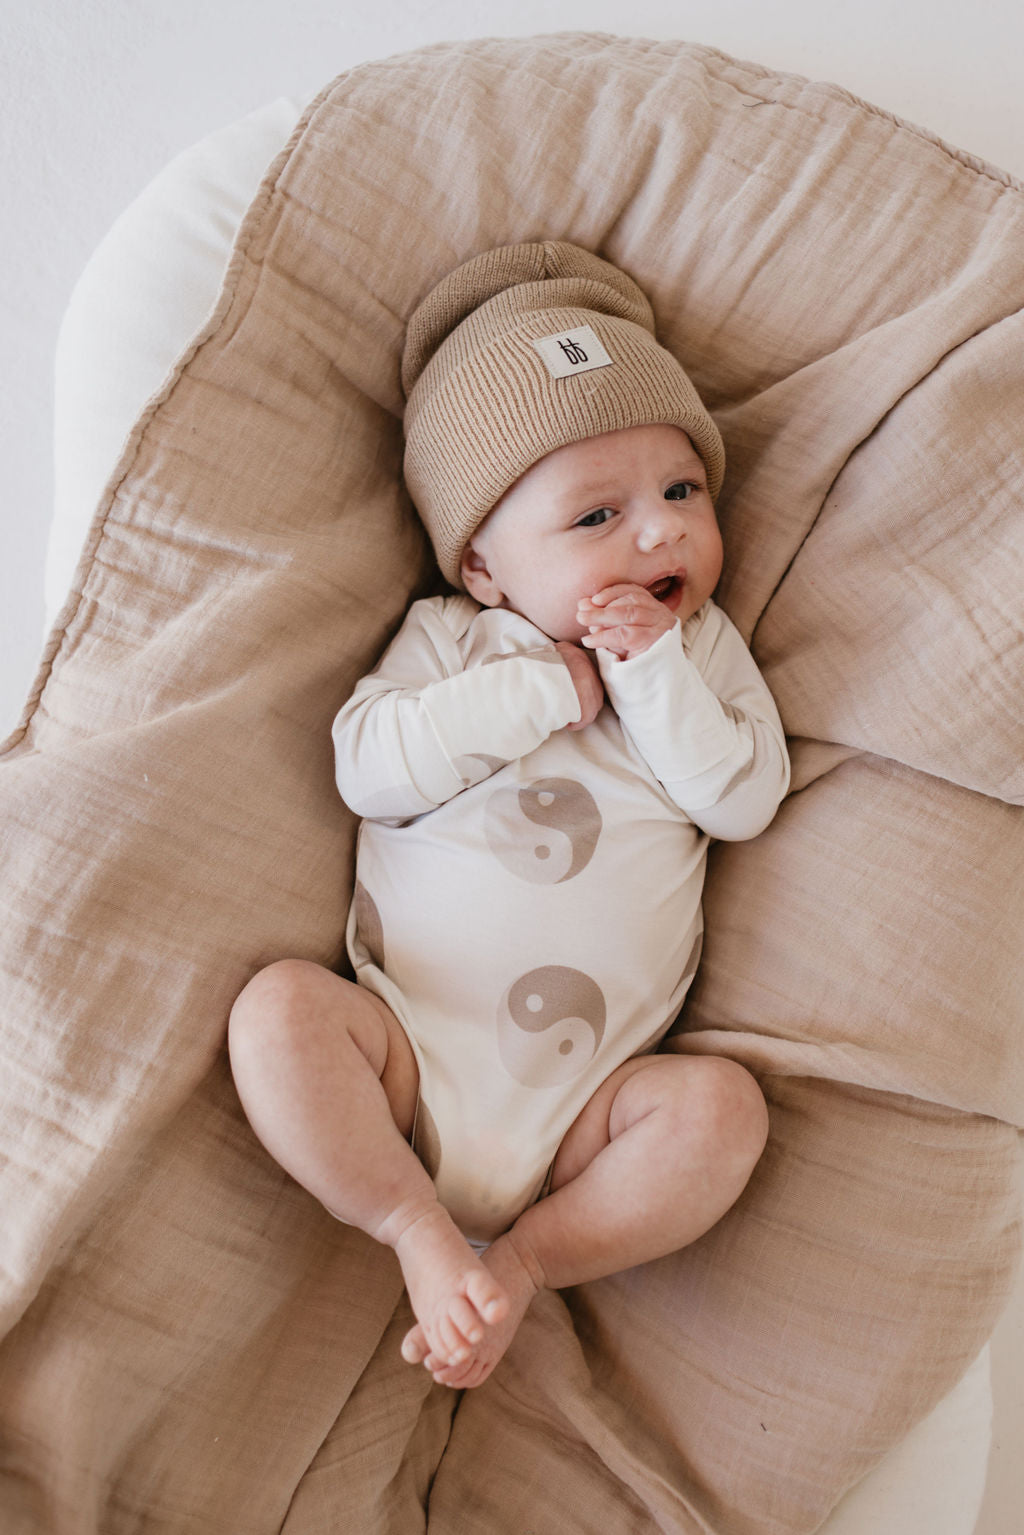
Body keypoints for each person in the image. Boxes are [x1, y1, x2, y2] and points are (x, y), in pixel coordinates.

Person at [228, 242, 790, 1390]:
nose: (657, 534)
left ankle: (524, 1261)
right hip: (402, 1061)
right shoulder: (452, 640)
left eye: (683, 492)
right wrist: (533, 692)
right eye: (598, 513)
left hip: (591, 1113)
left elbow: (741, 800)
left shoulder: (701, 655)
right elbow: (366, 769)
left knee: (721, 1117)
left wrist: (651, 675)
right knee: (278, 1015)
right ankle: (414, 1230)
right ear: (483, 565)